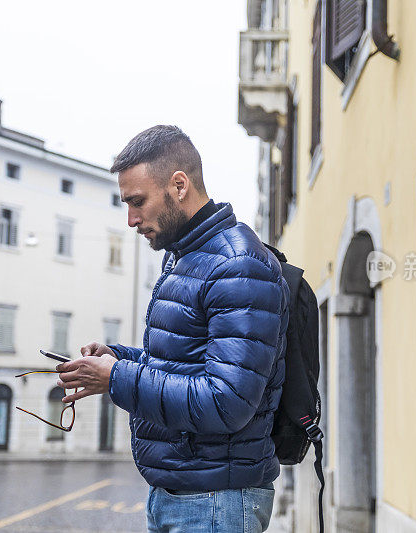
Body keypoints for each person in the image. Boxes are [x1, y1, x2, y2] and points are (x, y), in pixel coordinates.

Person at [55, 125, 289, 533]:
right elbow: (184, 362)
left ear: (179, 185)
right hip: (185, 495)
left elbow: (226, 401)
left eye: (137, 202)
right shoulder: (188, 257)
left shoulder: (236, 264)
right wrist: (120, 360)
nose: (130, 220)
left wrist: (117, 378)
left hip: (216, 502)